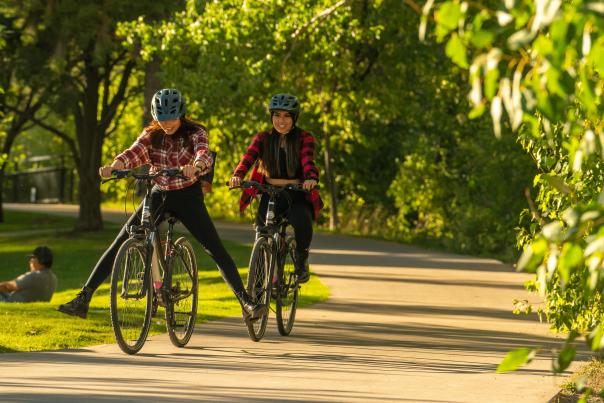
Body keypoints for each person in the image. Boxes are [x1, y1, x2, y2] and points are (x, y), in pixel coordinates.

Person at [57, 88, 266, 322]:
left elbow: (203, 154)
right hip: (159, 193)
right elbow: (132, 153)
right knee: (122, 239)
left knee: (214, 248)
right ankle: (83, 299)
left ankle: (246, 301)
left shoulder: (195, 132)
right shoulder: (151, 134)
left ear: (181, 114)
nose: (166, 123)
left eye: (171, 118)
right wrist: (114, 166)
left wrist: (195, 166)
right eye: (161, 118)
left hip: (187, 195)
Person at [229, 93, 323, 283]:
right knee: (262, 234)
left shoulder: (304, 138)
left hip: (296, 194)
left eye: (287, 116)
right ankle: (256, 289)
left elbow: (308, 161)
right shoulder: (263, 138)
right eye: (277, 115)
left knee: (302, 223)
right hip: (270, 193)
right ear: (271, 116)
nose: (281, 121)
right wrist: (237, 176)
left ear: (294, 118)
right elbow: (248, 158)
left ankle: (301, 260)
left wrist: (311, 179)